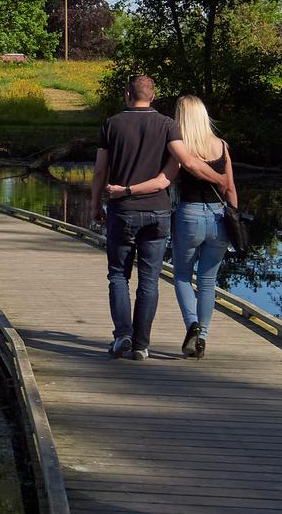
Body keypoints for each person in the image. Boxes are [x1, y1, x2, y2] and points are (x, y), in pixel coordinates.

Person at [90, 75, 225, 360]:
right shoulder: (168, 125)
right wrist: (220, 179)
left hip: (122, 210)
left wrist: (94, 204)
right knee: (149, 279)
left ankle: (123, 335)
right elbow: (187, 161)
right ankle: (141, 345)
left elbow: (100, 170)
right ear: (152, 97)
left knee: (118, 275)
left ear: (128, 94)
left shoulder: (111, 124)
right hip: (158, 213)